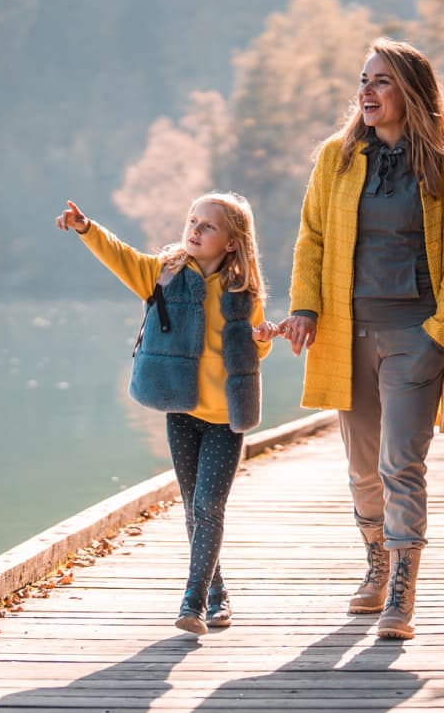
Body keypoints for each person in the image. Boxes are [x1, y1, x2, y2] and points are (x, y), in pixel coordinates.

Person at [280, 38, 444, 640]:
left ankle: (402, 591)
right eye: (363, 80)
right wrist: (305, 308)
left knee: (401, 463)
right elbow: (311, 237)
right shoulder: (335, 159)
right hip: (347, 333)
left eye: (382, 81)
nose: (366, 92)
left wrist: (440, 332)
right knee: (362, 468)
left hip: (416, 335)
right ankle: (375, 564)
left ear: (412, 92)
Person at [56, 193, 278, 635]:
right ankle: (217, 593)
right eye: (192, 221)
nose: (194, 230)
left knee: (209, 506)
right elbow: (121, 258)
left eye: (208, 226)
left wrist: (264, 336)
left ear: (232, 243)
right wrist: (87, 229)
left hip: (224, 416)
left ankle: (192, 603)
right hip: (180, 407)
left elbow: (253, 350)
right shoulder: (165, 274)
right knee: (195, 510)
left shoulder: (241, 292)